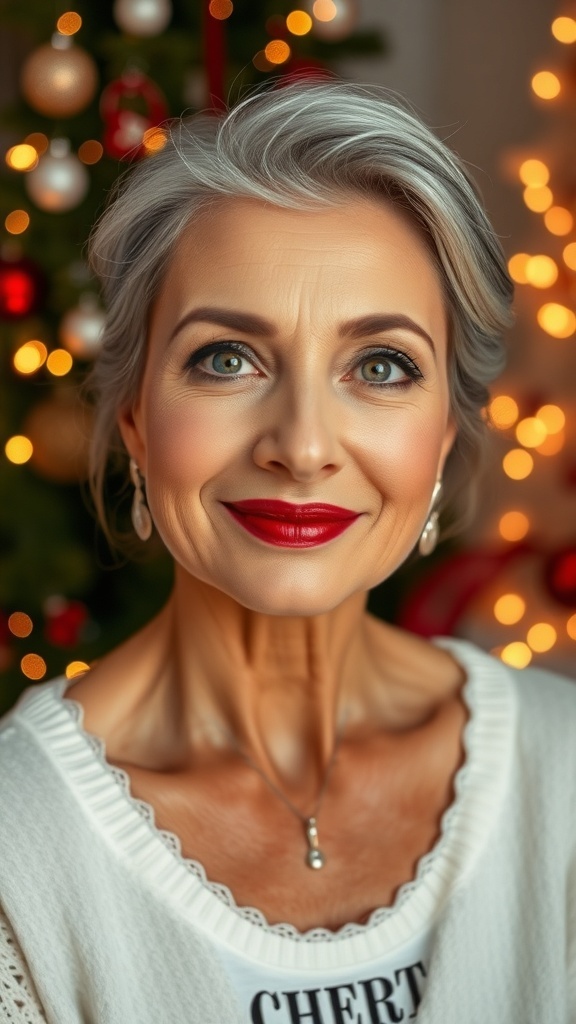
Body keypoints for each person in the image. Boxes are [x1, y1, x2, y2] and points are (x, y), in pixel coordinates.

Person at [0, 77, 575, 1024]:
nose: (303, 445)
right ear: (139, 419)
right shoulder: (21, 854)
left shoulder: (565, 770)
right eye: (227, 358)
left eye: (381, 366)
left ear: (440, 437)